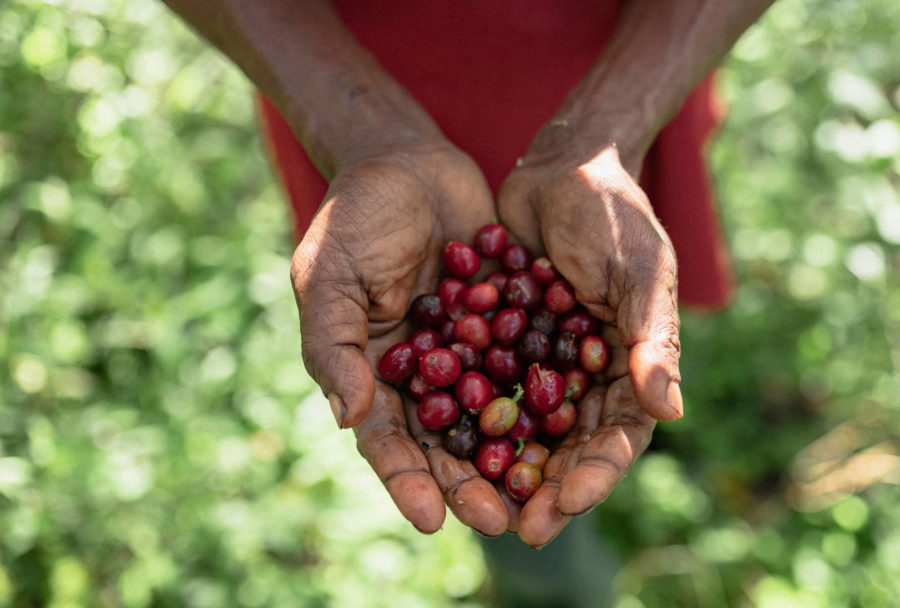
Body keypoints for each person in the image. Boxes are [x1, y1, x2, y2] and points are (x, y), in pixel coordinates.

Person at [160, 0, 775, 549]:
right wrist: (363, 131)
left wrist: (607, 130)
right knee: (522, 475)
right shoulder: (473, 335)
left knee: (628, 314)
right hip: (341, 87)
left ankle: (637, 480)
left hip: (632, 68)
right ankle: (545, 600)